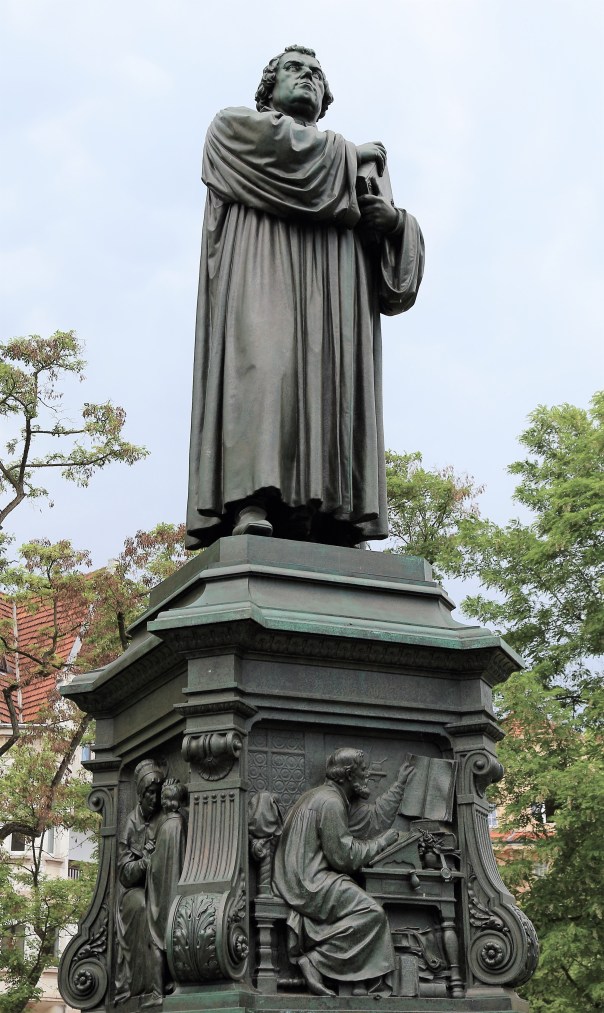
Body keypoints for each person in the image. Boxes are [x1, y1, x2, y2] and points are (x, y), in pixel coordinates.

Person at [186, 45, 424, 549]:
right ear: (268, 87)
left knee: (334, 389)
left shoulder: (357, 165)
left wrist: (395, 224)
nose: (309, 78)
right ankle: (252, 502)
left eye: (318, 74)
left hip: (337, 296)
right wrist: (348, 154)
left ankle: (332, 517)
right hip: (264, 271)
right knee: (265, 374)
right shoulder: (234, 130)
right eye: (296, 69)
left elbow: (395, 289)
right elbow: (287, 155)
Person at [272, 747, 400, 996]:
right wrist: (382, 843)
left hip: (295, 876)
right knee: (372, 914)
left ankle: (356, 981)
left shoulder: (317, 795)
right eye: (364, 771)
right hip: (309, 882)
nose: (368, 776)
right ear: (350, 775)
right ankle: (316, 961)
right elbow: (344, 857)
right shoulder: (331, 802)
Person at [115, 759, 165, 1005]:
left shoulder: (163, 817)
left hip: (160, 886)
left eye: (157, 794)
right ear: (140, 795)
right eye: (150, 794)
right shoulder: (131, 824)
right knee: (144, 905)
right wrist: (144, 863)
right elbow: (124, 873)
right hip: (134, 891)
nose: (154, 800)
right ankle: (141, 985)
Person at [146, 780, 188, 1003]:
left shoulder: (166, 826)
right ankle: (175, 983)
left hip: (162, 895)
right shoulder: (180, 822)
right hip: (176, 892)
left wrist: (149, 855)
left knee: (156, 940)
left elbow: (157, 863)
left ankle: (156, 992)